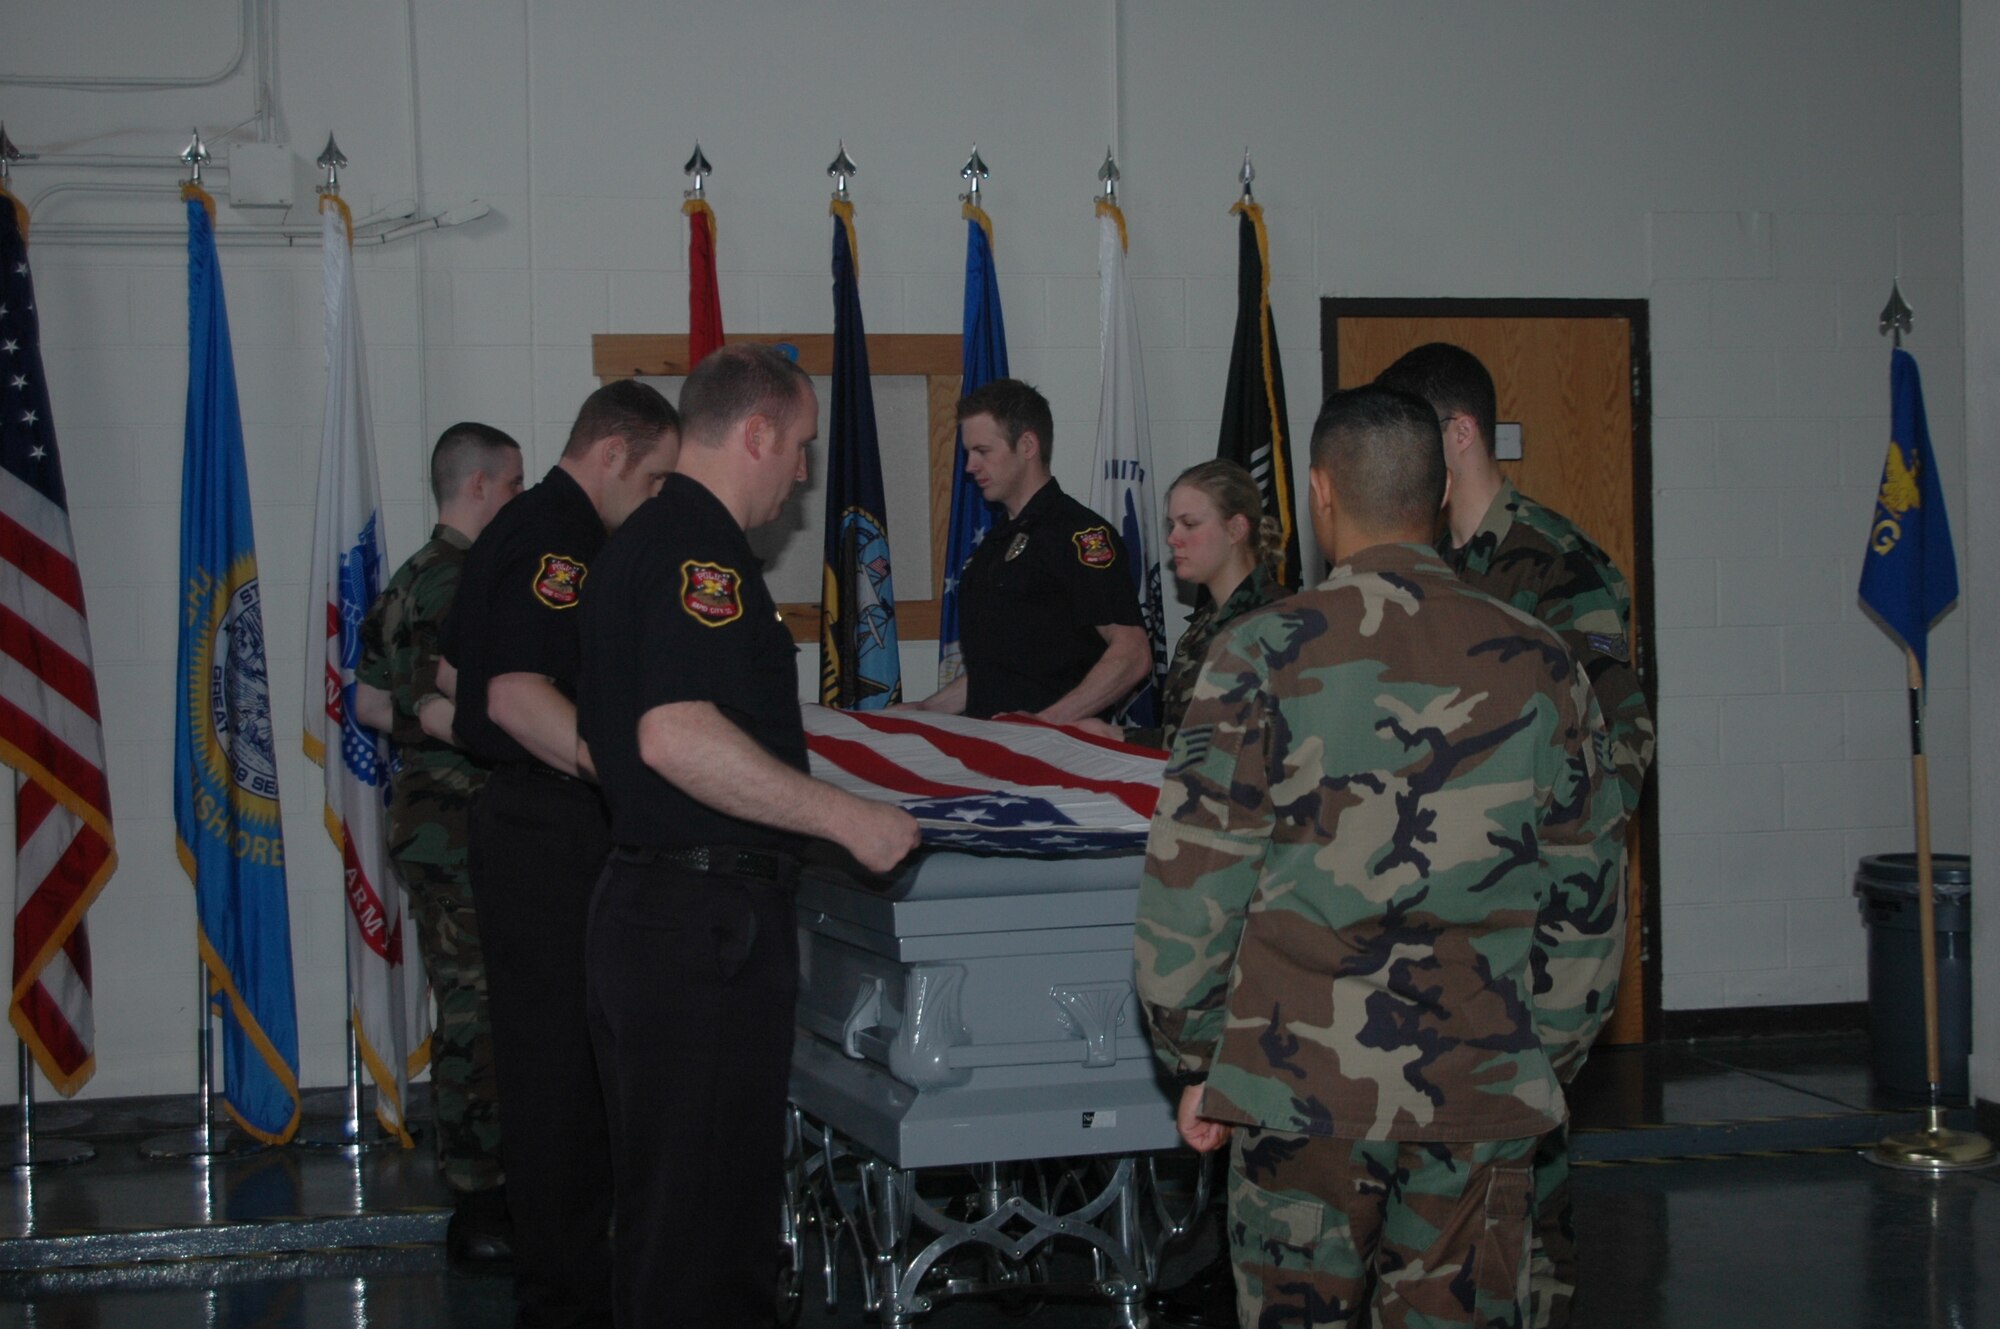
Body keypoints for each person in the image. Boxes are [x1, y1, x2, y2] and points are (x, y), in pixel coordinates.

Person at [1134, 385, 1628, 1328]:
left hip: (1293, 1089)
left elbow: (1191, 889)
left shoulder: (1257, 654)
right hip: (1479, 1083)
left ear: (1320, 492)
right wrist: (1536, 1057)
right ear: (1441, 491)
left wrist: (1203, 1056)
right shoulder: (1541, 661)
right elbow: (1591, 897)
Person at [576, 344, 921, 1329]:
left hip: (654, 911)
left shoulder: (634, 544)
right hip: (699, 926)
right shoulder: (699, 555)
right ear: (755, 432)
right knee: (706, 1234)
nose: (803, 473)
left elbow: (632, 742)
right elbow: (672, 733)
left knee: (671, 1217)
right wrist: (845, 818)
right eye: (801, 447)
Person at [1376, 341, 1655, 1329]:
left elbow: (1619, 750)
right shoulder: (1417, 567)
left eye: (1408, 436)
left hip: (1521, 924)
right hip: (1420, 925)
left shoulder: (1555, 565)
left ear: (1455, 435)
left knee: (1522, 1195)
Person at [442, 379, 678, 1329]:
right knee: (560, 1077)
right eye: (657, 475)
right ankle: (570, 1293)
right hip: (551, 824)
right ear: (614, 453)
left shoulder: (528, 524)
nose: (659, 495)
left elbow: (463, 672)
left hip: (533, 820)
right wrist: (625, 773)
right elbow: (512, 695)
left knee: (564, 1067)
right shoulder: (558, 538)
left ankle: (572, 1280)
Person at [354, 422, 524, 1265]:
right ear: (483, 484)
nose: (519, 501)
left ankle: (482, 1183)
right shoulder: (459, 581)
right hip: (458, 824)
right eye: (516, 485)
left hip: (427, 820)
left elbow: (368, 704)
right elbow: (430, 707)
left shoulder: (407, 578)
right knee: (477, 1010)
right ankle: (479, 1199)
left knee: (468, 1000)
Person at [909, 378, 1150, 722]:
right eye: (969, 453)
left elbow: (1133, 653)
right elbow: (999, 674)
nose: (970, 467)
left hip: (1056, 758)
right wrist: (923, 711)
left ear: (1026, 445)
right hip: (997, 747)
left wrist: (1045, 725)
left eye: (982, 451)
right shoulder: (992, 548)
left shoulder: (1078, 535)